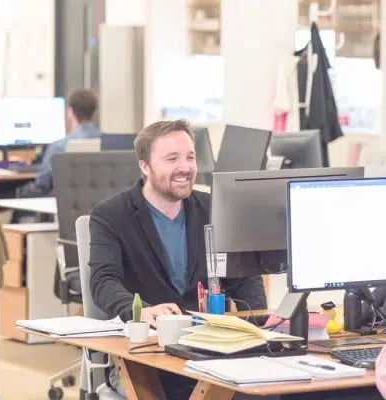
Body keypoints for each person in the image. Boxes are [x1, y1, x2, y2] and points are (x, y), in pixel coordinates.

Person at [88, 119, 267, 399]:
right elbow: (103, 281)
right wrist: (141, 311)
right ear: (145, 166)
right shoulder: (111, 215)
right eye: (172, 159)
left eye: (190, 157)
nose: (185, 167)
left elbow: (244, 278)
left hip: (211, 350)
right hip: (147, 357)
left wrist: (260, 327)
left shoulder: (213, 209)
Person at [19, 88, 101, 198]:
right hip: (99, 202)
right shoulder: (109, 142)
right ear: (94, 112)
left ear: (70, 111)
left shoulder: (59, 146)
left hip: (66, 202)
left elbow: (42, 183)